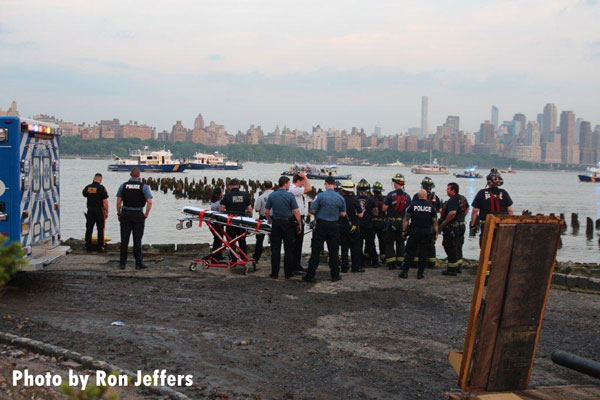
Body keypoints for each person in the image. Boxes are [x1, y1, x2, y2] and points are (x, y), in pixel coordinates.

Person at [303, 176, 347, 283]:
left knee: (316, 251)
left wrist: (320, 212)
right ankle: (335, 275)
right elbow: (343, 214)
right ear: (335, 185)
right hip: (334, 226)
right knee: (334, 251)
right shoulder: (340, 197)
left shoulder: (320, 196)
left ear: (326, 184)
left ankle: (310, 275)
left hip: (321, 225)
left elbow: (312, 210)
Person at [265, 176, 302, 279]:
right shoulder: (290, 196)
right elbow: (296, 211)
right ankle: (288, 273)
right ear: (285, 184)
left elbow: (266, 211)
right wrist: (299, 223)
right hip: (288, 224)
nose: (289, 185)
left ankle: (274, 273)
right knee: (288, 249)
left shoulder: (272, 195)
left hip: (276, 223)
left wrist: (269, 219)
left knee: (275, 249)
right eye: (289, 183)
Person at [116, 167, 153, 269]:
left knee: (124, 240)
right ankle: (138, 263)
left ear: (130, 175)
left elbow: (119, 202)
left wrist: (118, 213)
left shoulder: (123, 186)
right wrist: (146, 214)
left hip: (125, 214)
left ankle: (122, 264)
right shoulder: (144, 187)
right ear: (139, 175)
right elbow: (149, 202)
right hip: (138, 215)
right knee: (137, 240)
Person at [399, 189, 438, 279]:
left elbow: (406, 220)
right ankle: (420, 274)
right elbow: (435, 223)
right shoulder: (431, 207)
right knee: (423, 254)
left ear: (418, 196)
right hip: (426, 233)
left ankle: (405, 272)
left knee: (409, 253)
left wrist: (404, 231)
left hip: (414, 232)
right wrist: (436, 233)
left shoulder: (412, 206)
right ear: (426, 196)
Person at [470, 170, 514, 245]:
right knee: (500, 244)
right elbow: (510, 210)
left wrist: (472, 224)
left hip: (487, 223)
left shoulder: (481, 193)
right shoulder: (503, 192)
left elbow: (475, 210)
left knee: (486, 244)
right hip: (501, 224)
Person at [381, 173, 411, 270]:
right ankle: (400, 261)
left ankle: (391, 263)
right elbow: (408, 211)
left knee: (389, 243)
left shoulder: (390, 195)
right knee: (401, 243)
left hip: (391, 223)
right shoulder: (407, 196)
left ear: (395, 184)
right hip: (402, 223)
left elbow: (384, 209)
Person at [412, 177, 441, 268]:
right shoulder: (435, 197)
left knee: (416, 243)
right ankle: (431, 261)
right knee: (430, 244)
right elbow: (439, 210)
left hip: (418, 223)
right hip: (430, 225)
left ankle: (416, 262)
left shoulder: (417, 196)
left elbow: (412, 208)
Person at [288, 172, 312, 275]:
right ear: (300, 180)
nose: (304, 183)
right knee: (295, 244)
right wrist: (305, 177)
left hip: (298, 217)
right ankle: (294, 267)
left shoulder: (295, 189)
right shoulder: (293, 189)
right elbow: (309, 189)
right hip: (295, 218)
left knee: (298, 243)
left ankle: (297, 265)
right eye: (303, 181)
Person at [220, 178, 252, 255]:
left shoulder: (227, 195)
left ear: (230, 186)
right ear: (238, 185)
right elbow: (250, 209)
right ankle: (243, 257)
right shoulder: (244, 194)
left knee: (231, 241)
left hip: (230, 221)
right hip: (241, 221)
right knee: (242, 241)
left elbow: (222, 209)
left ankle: (234, 259)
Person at [339, 180, 364, 273]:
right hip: (353, 226)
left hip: (342, 226)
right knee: (355, 248)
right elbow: (360, 215)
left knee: (344, 248)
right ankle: (355, 267)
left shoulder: (340, 199)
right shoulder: (355, 200)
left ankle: (344, 267)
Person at [82, 173, 109, 252]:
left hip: (90, 210)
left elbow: (84, 194)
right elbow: (105, 201)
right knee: (100, 229)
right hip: (99, 211)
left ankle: (88, 247)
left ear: (93, 179)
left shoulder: (88, 187)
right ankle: (100, 247)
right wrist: (106, 211)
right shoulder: (101, 188)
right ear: (100, 180)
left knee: (89, 228)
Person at [440, 182, 462, 276]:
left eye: (448, 188)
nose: (446, 190)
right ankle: (457, 267)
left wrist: (444, 223)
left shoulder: (453, 200)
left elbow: (452, 212)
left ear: (453, 190)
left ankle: (451, 269)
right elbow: (466, 209)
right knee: (456, 247)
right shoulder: (461, 198)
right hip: (458, 226)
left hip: (451, 227)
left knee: (450, 247)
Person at [357, 179, 379, 267]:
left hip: (358, 225)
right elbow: (376, 213)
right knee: (371, 245)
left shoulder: (355, 199)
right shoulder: (372, 200)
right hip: (369, 225)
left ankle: (360, 263)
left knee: (358, 246)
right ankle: (375, 263)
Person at [253, 180, 274, 264]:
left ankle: (256, 258)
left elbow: (257, 209)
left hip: (263, 218)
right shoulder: (276, 196)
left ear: (264, 187)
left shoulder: (261, 197)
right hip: (274, 218)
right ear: (272, 186)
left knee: (259, 240)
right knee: (274, 240)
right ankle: (274, 258)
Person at [371, 181, 386, 265]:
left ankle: (369, 257)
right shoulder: (384, 199)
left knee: (370, 241)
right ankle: (383, 258)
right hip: (382, 223)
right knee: (382, 241)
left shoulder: (371, 199)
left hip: (372, 223)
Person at [210, 187, 224, 261]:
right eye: (222, 192)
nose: (223, 193)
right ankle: (215, 257)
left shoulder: (213, 201)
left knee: (218, 239)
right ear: (219, 194)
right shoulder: (219, 203)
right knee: (218, 240)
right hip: (217, 223)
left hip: (215, 222)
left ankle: (218, 255)